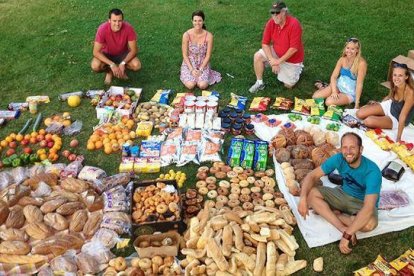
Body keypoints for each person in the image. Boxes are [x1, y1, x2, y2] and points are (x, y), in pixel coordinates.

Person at [298, 132, 381, 254]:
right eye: (345, 147)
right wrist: (303, 198)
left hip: (361, 203)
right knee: (311, 194)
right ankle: (342, 225)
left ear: (361, 149)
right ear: (341, 148)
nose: (348, 151)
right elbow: (312, 175)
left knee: (369, 224)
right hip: (342, 194)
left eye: (352, 147)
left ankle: (333, 214)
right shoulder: (339, 158)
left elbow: (368, 208)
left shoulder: (372, 171)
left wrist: (347, 235)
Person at [249, 1, 304, 92]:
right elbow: (265, 43)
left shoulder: (294, 24)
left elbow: (293, 49)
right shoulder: (271, 23)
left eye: (277, 13)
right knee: (258, 56)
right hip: (276, 53)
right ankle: (259, 83)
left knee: (288, 85)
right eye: (272, 13)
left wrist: (277, 62)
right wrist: (272, 60)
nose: (274, 15)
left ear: (284, 12)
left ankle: (299, 69)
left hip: (292, 59)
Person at [356, 63, 414, 142]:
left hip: (397, 118)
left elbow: (403, 116)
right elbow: (390, 96)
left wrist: (398, 138)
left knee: (368, 121)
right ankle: (379, 116)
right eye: (395, 75)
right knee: (359, 113)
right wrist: (380, 104)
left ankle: (379, 118)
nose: (396, 78)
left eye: (400, 75)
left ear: (406, 77)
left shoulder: (410, 93)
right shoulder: (395, 83)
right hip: (390, 105)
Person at [312, 38, 367, 109]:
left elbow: (359, 84)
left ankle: (326, 88)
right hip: (338, 86)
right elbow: (334, 77)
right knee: (315, 97)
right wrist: (334, 91)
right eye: (348, 48)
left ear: (357, 50)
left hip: (349, 93)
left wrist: (357, 103)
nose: (349, 51)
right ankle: (326, 87)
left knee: (328, 102)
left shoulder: (361, 63)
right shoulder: (342, 59)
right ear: (345, 48)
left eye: (352, 49)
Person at [91, 8, 141, 85]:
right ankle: (109, 72)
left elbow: (134, 50)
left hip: (122, 54)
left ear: (122, 20)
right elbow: (95, 52)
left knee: (136, 65)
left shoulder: (128, 28)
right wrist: (112, 64)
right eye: (114, 21)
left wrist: (123, 63)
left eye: (120, 21)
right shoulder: (102, 29)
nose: (117, 24)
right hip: (107, 54)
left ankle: (121, 69)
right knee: (95, 66)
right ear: (109, 20)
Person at [180, 10, 221, 90]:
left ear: (203, 21)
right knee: (190, 85)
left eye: (200, 21)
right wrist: (191, 69)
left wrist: (201, 69)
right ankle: (185, 73)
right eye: (195, 21)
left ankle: (205, 74)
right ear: (192, 21)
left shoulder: (209, 36)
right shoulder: (186, 35)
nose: (197, 23)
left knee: (202, 85)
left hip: (203, 62)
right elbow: (185, 55)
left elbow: (208, 55)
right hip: (190, 62)